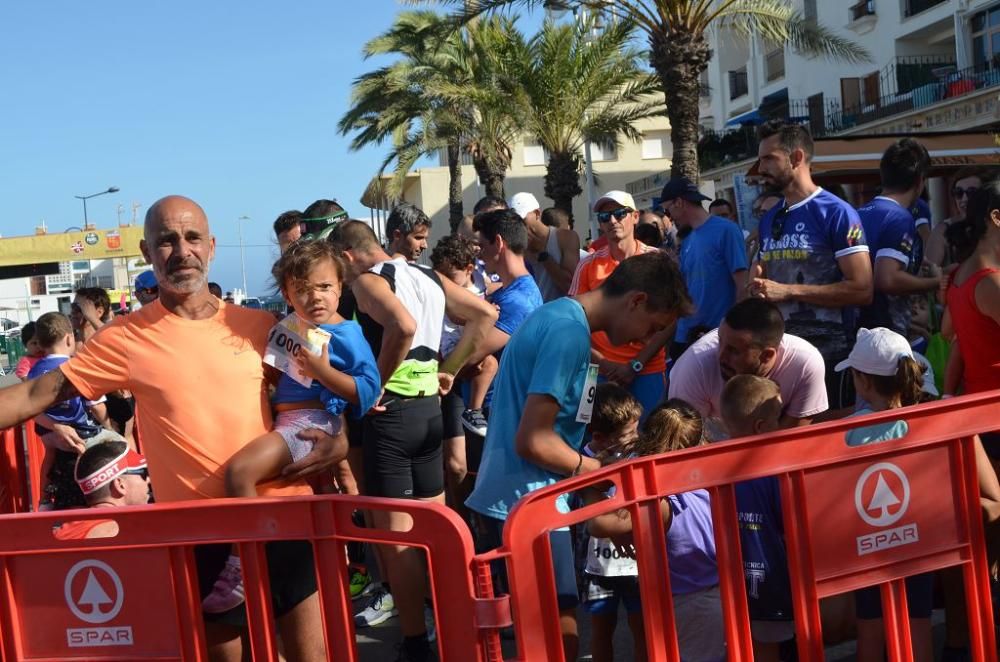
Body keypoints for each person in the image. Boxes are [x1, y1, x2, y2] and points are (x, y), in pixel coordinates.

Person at [0, 195, 346, 661]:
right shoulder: (124, 338)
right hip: (201, 537)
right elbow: (33, 395)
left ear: (212, 246)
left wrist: (341, 440)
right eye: (166, 241)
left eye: (192, 237)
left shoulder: (262, 326)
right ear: (147, 252)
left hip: (282, 518)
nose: (181, 251)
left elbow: (321, 398)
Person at [467, 251, 692, 661]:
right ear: (636, 301)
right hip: (527, 502)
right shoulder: (568, 334)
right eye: (652, 327)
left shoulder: (562, 321)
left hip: (522, 498)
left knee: (547, 627)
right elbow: (533, 441)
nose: (645, 339)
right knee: (556, 633)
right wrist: (601, 472)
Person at [328, 219, 496, 661]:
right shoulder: (424, 273)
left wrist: (374, 386)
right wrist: (451, 368)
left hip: (393, 413)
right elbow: (485, 315)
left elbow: (400, 325)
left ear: (348, 256)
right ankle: (452, 626)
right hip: (429, 411)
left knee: (398, 541)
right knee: (434, 530)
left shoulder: (366, 280)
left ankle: (416, 642)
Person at [202, 240, 380, 614]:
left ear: (341, 286)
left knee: (239, 473)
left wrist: (323, 372)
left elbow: (368, 391)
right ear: (286, 293)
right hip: (290, 420)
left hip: (309, 424)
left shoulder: (348, 333)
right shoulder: (292, 326)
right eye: (302, 289)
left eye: (324, 286)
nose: (315, 297)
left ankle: (242, 569)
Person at [587, 397, 725, 662]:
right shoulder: (707, 475)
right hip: (716, 590)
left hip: (690, 602)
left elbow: (598, 523)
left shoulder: (661, 500)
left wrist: (589, 485)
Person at [750, 120, 873, 408]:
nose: (760, 168)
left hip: (832, 355)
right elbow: (768, 279)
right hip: (781, 357)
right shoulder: (770, 218)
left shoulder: (838, 213)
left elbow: (863, 290)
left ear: (797, 158)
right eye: (759, 159)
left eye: (769, 158)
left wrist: (789, 291)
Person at [834, 328, 936, 662]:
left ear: (862, 382)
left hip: (870, 545)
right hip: (920, 539)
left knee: (871, 627)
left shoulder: (848, 432)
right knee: (918, 621)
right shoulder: (927, 421)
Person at [570, 191, 674, 417]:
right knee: (590, 433)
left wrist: (635, 364)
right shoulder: (587, 264)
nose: (612, 221)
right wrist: (604, 363)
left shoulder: (658, 261)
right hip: (596, 371)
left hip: (646, 370)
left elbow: (672, 320)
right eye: (605, 217)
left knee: (649, 437)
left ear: (635, 216)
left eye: (619, 213)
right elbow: (572, 321)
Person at [668, 298, 828, 440]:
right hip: (711, 445)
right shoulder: (694, 367)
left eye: (734, 350)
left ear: (767, 355)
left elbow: (789, 439)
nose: (720, 356)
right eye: (719, 341)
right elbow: (683, 443)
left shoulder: (804, 364)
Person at [719, 375, 792, 662]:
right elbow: (790, 525)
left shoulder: (711, 466)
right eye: (779, 417)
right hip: (770, 583)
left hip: (722, 586)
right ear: (761, 427)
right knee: (767, 652)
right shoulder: (776, 470)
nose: (782, 423)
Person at [27, 312, 124, 511]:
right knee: (119, 444)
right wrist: (108, 427)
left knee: (50, 455)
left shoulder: (34, 370)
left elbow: (29, 404)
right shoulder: (75, 367)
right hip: (79, 431)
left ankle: (44, 500)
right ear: (69, 338)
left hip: (48, 432)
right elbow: (96, 406)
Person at [574, 383, 643, 662]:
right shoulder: (582, 461)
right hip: (597, 564)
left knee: (643, 629)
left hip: (637, 561)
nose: (636, 438)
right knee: (601, 630)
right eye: (629, 434)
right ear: (600, 437)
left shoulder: (638, 455)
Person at [429, 235, 499, 506]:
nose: (445, 280)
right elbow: (459, 315)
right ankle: (460, 518)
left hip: (472, 359)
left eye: (451, 274)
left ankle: (475, 409)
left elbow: (494, 290)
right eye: (441, 274)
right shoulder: (442, 293)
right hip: (449, 360)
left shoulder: (479, 284)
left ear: (469, 269)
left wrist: (492, 303)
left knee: (490, 363)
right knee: (456, 465)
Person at [856, 138, 941, 337]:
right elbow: (888, 279)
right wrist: (936, 282)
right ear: (920, 181)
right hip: (884, 332)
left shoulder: (859, 212)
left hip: (859, 328)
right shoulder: (900, 218)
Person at [660, 176, 749, 359]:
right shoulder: (688, 239)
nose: (668, 217)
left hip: (716, 336)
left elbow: (742, 284)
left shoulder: (726, 230)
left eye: (668, 210)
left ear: (679, 203)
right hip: (685, 336)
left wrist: (734, 331)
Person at [54, 440, 150, 540]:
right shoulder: (129, 534)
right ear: (120, 485)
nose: (149, 480)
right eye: (144, 474)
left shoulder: (61, 532)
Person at [510, 192, 581, 302]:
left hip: (561, 314)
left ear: (537, 214)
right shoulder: (514, 245)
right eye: (514, 221)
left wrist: (542, 254)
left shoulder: (566, 238)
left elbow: (571, 286)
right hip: (532, 316)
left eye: (521, 219)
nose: (518, 225)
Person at [925, 168, 985, 268]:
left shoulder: (993, 227)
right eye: (958, 192)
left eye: (971, 192)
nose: (964, 199)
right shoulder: (943, 229)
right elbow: (925, 274)